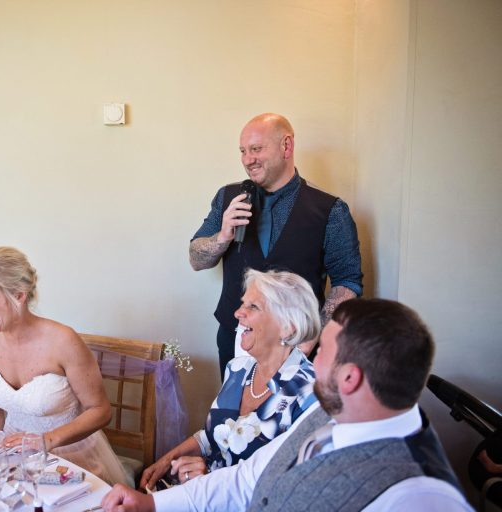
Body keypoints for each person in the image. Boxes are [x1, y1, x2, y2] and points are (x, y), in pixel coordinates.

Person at [101, 299, 472, 511]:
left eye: (323, 351)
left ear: (350, 379)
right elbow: (248, 479)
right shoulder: (327, 414)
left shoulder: (419, 494)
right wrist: (149, 506)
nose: (309, 361)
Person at [189, 113, 363, 378]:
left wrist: (311, 338)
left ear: (286, 146)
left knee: (290, 417)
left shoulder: (331, 210)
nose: (248, 159)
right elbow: (196, 260)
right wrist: (222, 236)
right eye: (243, 151)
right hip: (236, 337)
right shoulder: (227, 197)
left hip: (299, 342)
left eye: (257, 149)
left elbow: (347, 282)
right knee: (234, 415)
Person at [140, 269, 319, 490]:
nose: (237, 313)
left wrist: (210, 482)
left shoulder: (311, 393)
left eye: (253, 306)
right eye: (242, 304)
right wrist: (165, 461)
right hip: (201, 490)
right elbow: (210, 436)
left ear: (287, 326)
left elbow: (291, 484)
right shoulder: (238, 369)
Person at [0, 246, 129, 486]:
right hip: (13, 460)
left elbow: (100, 410)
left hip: (70, 458)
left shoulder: (64, 341)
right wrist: (0, 455)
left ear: (19, 295)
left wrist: (46, 441)